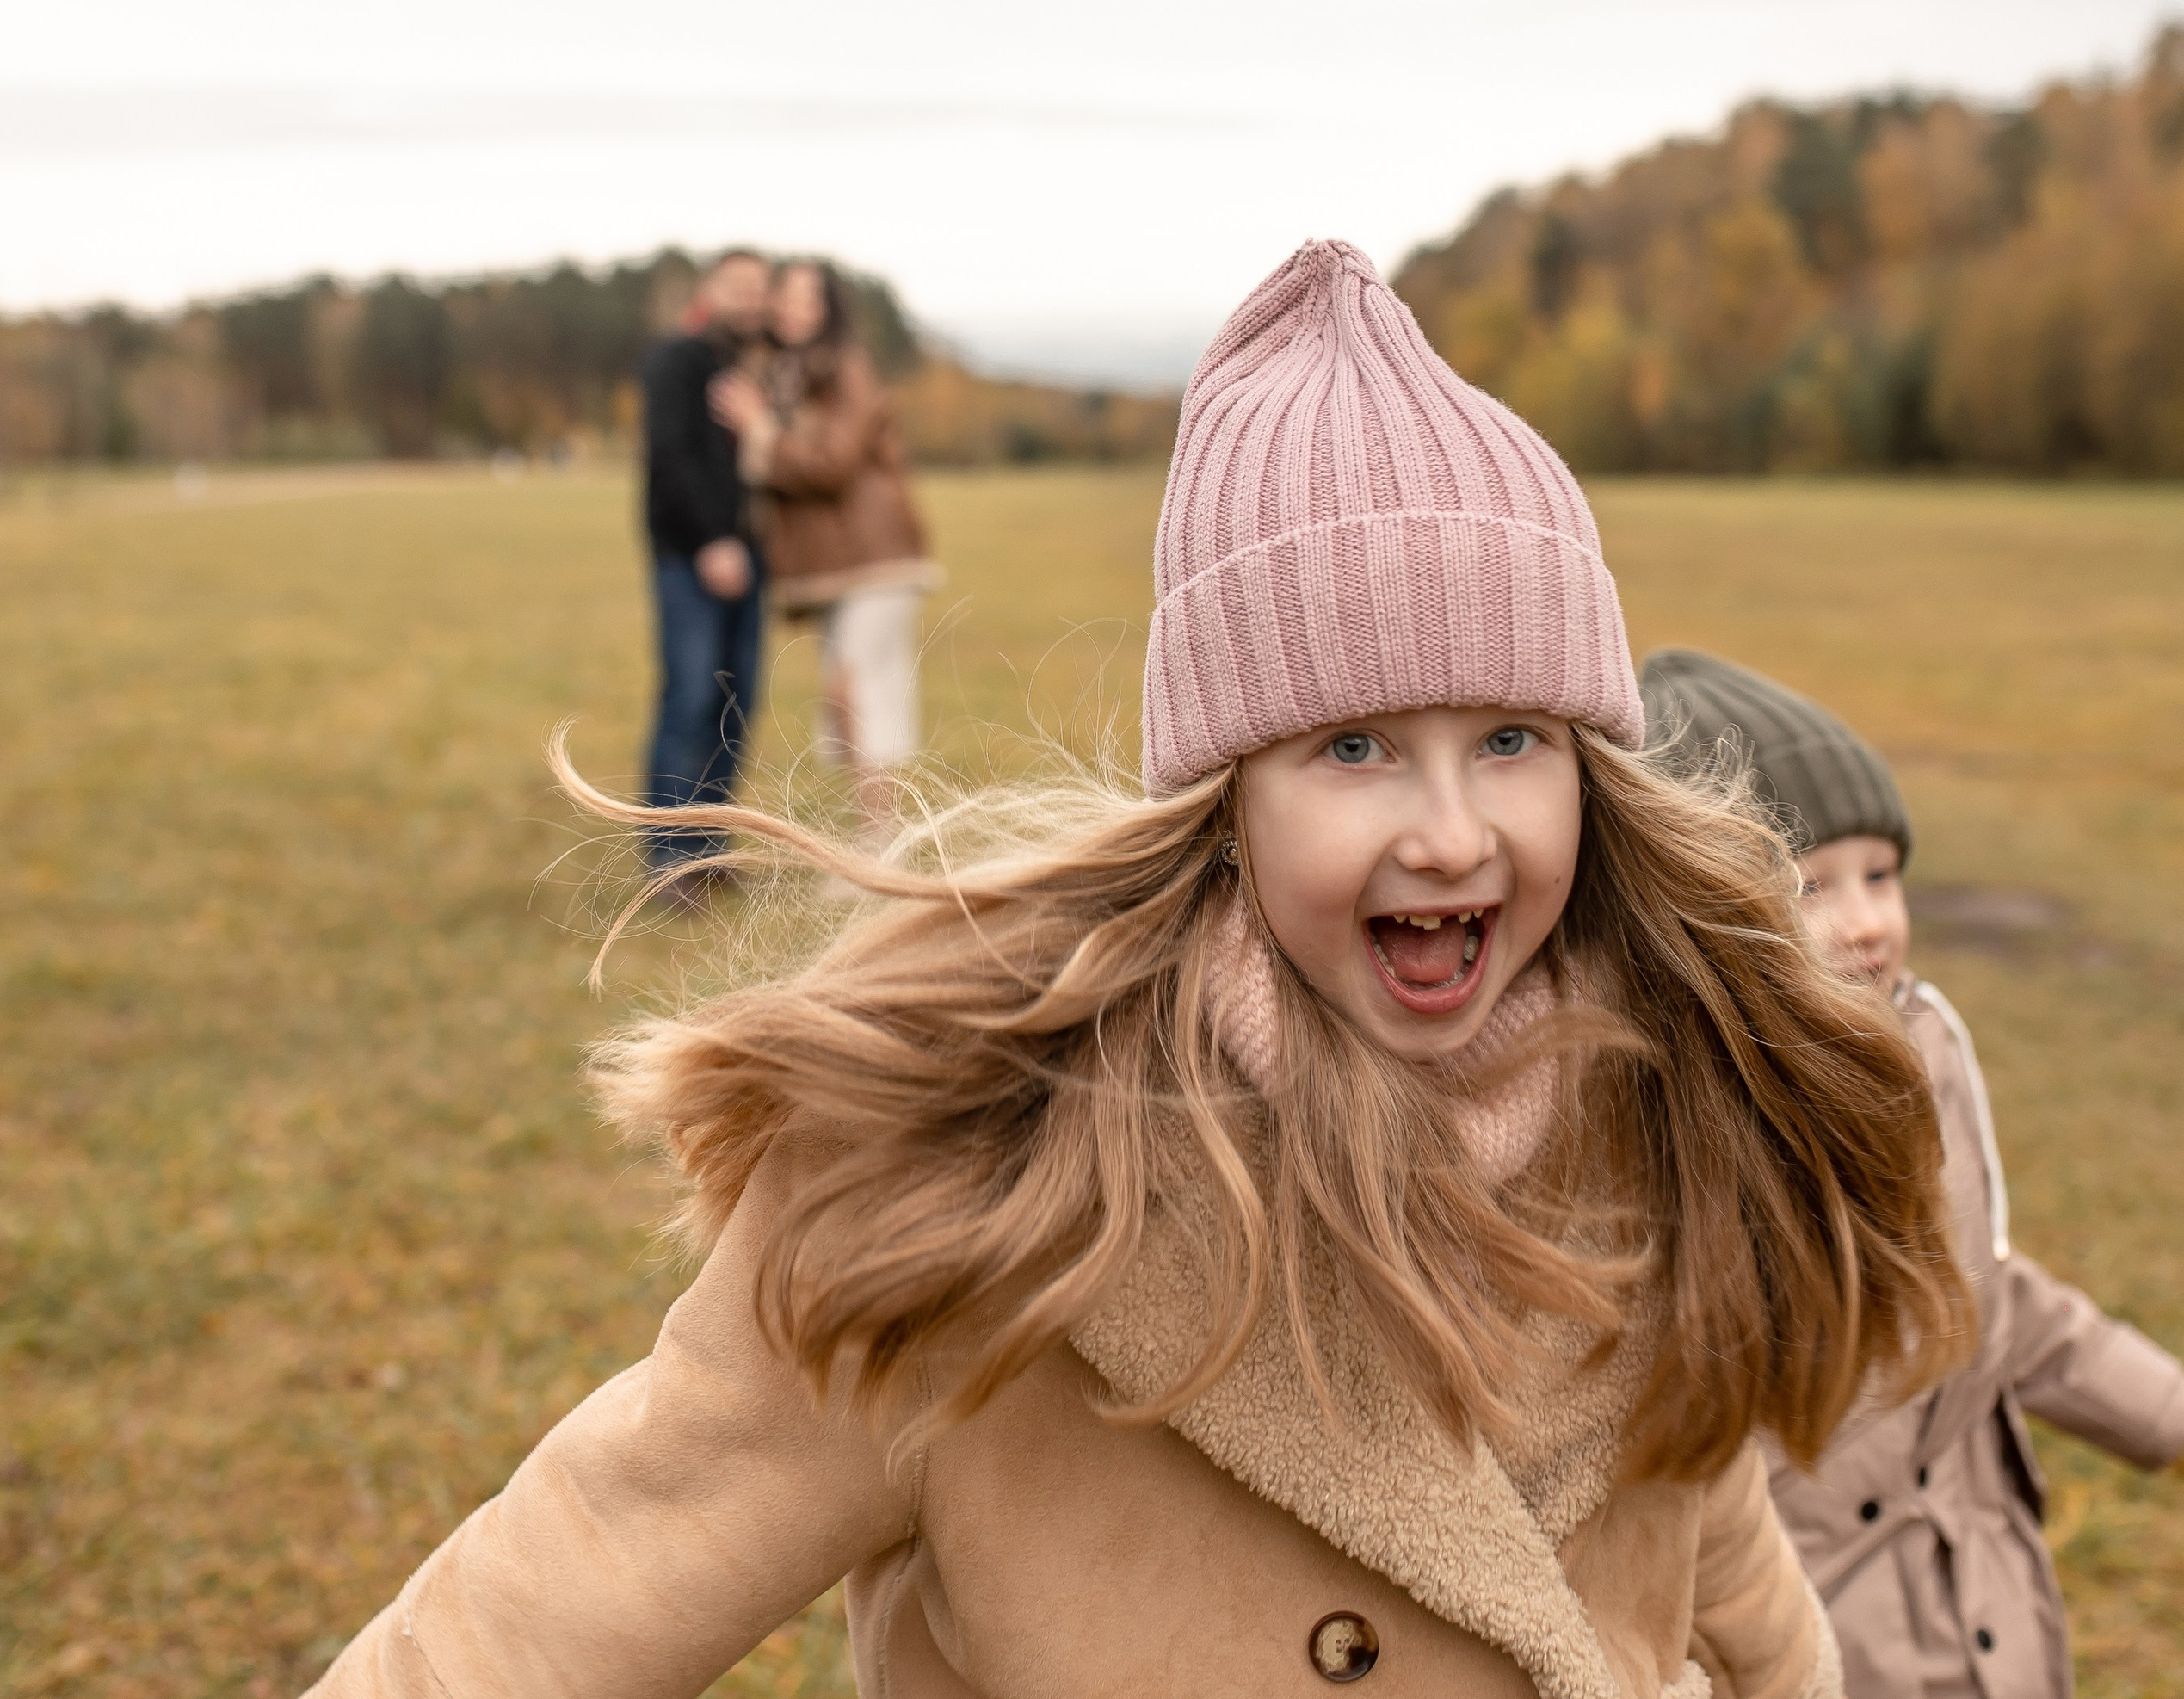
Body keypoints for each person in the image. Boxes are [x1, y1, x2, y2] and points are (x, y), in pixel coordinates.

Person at [309, 243, 1974, 1699]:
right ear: (1227, 801)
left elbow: (1719, 1547)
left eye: (1513, 739)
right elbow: (564, 1593)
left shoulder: (1661, 1115)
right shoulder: (966, 1205)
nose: (1453, 832)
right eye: (1354, 746)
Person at [1639, 648, 2184, 1699]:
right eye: (1810, 885)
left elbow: (1981, 1293)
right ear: (1694, 916)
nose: (1867, 921)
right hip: (1823, 1644)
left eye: (1881, 875)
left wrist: (2164, 1410)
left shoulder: (1923, 1049)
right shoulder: (1668, 1134)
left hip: (1986, 1604)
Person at [711, 258, 937, 840]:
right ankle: (877, 837)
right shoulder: (789, 375)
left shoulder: (846, 367)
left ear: (829, 310)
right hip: (837, 568)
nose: (793, 308)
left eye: (808, 298)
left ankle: (877, 844)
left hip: (877, 558)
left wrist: (759, 428)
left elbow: (833, 463)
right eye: (786, 296)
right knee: (850, 700)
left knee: (856, 692)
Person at [640, 248, 769, 874]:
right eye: (736, 286)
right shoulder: (676, 359)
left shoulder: (752, 370)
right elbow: (670, 459)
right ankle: (669, 854)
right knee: (690, 699)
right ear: (709, 290)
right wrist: (712, 540)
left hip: (752, 560)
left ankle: (710, 846)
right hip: (691, 560)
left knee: (735, 706)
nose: (749, 299)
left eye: (759, 289)